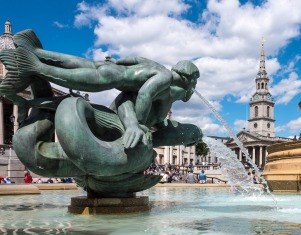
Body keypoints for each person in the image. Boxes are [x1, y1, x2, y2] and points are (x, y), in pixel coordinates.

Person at [0, 29, 200, 149]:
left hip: (112, 70)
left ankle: (35, 51)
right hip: (111, 77)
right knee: (72, 79)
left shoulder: (158, 67)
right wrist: (136, 124)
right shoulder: (165, 78)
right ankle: (34, 66)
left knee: (79, 63)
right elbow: (146, 94)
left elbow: (136, 59)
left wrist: (117, 61)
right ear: (187, 79)